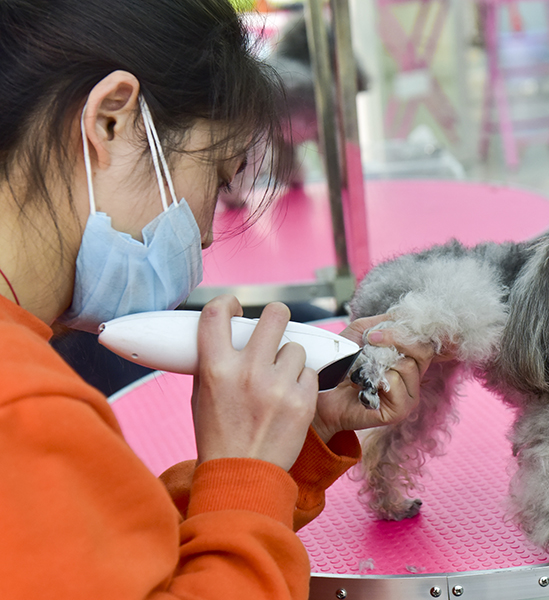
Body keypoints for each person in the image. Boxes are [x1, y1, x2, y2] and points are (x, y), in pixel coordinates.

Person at [0, 1, 433, 598]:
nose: (202, 234)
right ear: (111, 122)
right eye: (221, 177)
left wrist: (289, 444)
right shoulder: (24, 407)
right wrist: (246, 469)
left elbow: (114, 564)